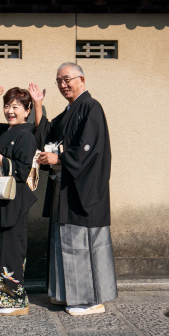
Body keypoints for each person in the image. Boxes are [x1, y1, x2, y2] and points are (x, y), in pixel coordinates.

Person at [30, 63, 118, 315]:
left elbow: (90, 149)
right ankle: (67, 295)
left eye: (67, 79)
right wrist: (37, 104)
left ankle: (90, 300)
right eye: (59, 81)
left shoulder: (91, 107)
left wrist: (60, 158)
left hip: (84, 191)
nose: (62, 85)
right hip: (66, 188)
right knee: (64, 243)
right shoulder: (71, 110)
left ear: (81, 79)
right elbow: (47, 133)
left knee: (82, 244)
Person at [0, 86, 38, 315]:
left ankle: (14, 300)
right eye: (7, 106)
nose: (10, 111)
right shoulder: (6, 130)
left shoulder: (26, 135)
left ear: (27, 110)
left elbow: (22, 170)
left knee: (10, 248)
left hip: (14, 200)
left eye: (16, 107)